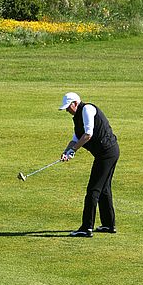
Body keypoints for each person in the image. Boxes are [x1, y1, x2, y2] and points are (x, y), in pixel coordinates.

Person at [59, 92, 120, 238]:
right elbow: (76, 138)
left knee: (93, 190)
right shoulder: (77, 117)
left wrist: (73, 150)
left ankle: (86, 228)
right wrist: (66, 152)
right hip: (106, 153)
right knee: (104, 188)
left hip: (107, 153)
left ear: (75, 103)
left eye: (68, 107)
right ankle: (108, 225)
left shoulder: (87, 109)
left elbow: (88, 134)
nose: (67, 110)